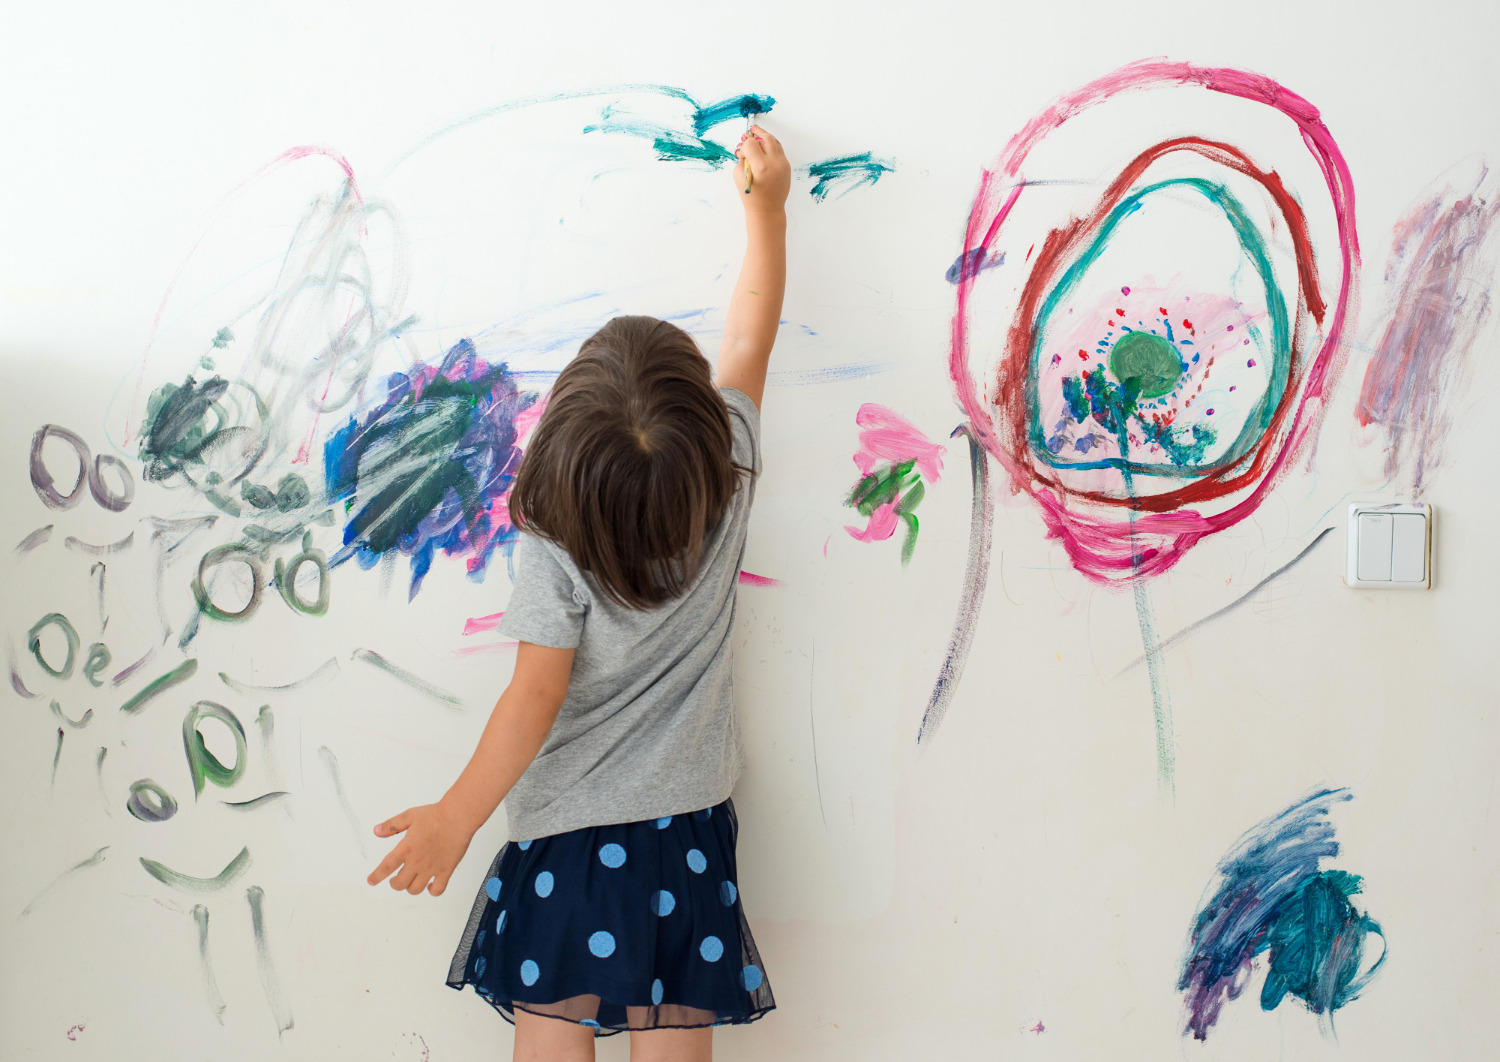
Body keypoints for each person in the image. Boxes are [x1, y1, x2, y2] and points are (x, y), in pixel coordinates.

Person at [367, 126, 791, 1062]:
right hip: (687, 837)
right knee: (674, 1028)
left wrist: (455, 816)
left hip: (569, 842)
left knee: (555, 1029)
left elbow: (534, 696)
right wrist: (766, 213)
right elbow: (753, 331)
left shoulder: (556, 536)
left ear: (563, 445)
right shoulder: (733, 468)